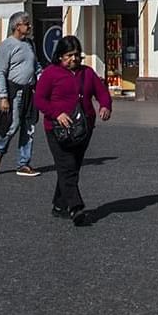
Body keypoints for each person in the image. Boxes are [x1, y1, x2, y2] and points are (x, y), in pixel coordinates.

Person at [33, 35, 112, 227]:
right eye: (69, 56)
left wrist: (105, 106)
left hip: (83, 128)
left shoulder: (87, 73)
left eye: (76, 55)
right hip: (57, 128)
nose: (73, 59)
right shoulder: (50, 73)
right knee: (67, 166)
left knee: (72, 167)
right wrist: (56, 113)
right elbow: (40, 100)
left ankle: (59, 205)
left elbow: (101, 92)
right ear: (59, 56)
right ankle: (75, 208)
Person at [0, 12, 40, 176]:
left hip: (30, 91)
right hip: (15, 92)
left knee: (29, 127)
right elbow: (0, 72)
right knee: (13, 126)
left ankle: (23, 164)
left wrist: (43, 78)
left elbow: (36, 66)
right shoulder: (7, 46)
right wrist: (3, 97)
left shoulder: (30, 44)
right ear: (17, 26)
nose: (30, 26)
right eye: (26, 23)